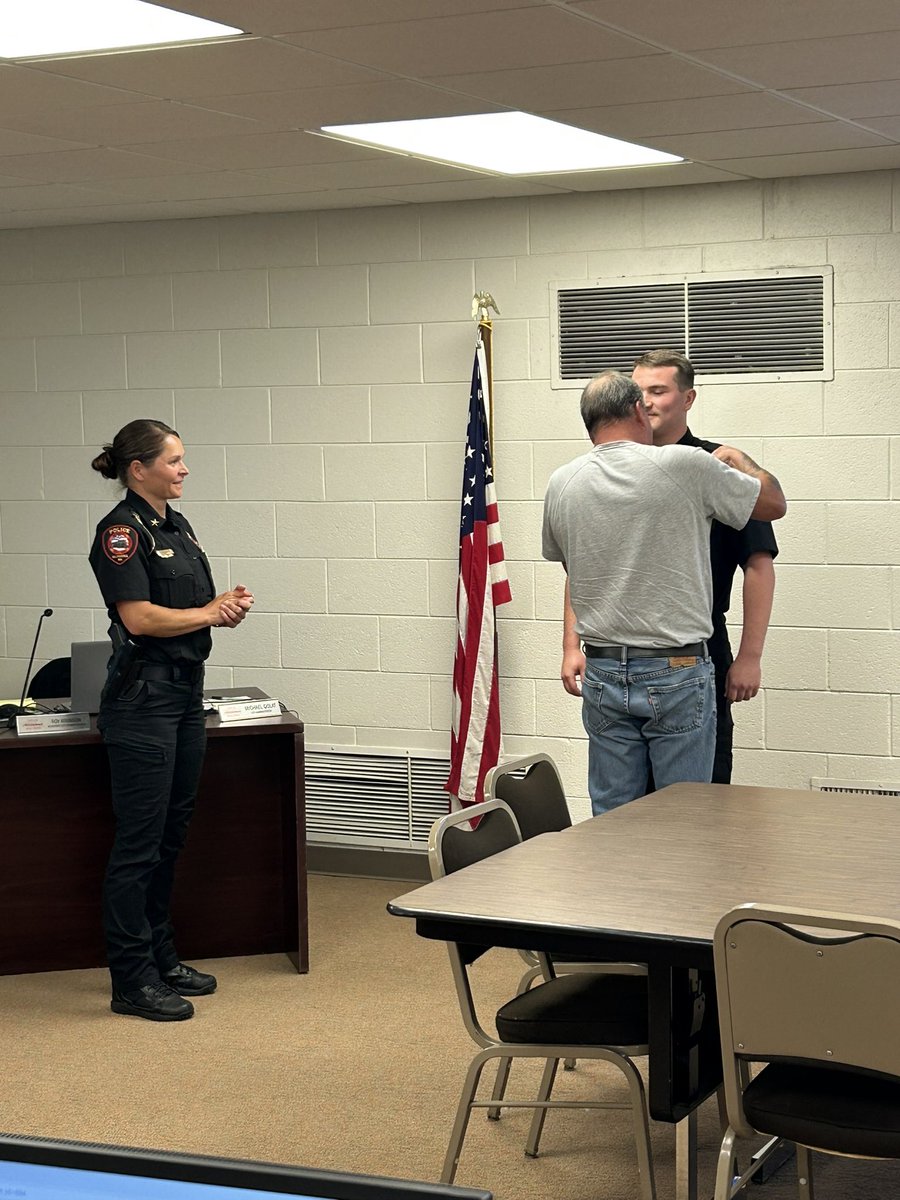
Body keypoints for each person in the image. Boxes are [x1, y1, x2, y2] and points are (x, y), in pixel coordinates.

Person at [543, 372, 786, 815]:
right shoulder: (687, 464)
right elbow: (774, 504)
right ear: (638, 411)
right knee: (683, 816)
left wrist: (570, 644)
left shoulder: (562, 481)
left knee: (613, 816)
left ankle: (615, 865)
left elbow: (574, 571)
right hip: (675, 670)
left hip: (602, 669)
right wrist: (740, 459)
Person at [89, 419, 254, 1022]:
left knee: (170, 835)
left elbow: (186, 609)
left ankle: (160, 957)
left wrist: (221, 609)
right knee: (139, 843)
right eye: (174, 460)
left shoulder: (175, 526)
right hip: (144, 701)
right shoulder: (120, 532)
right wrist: (209, 612)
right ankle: (131, 979)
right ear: (139, 469)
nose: (184, 469)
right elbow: (139, 618)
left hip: (184, 695)